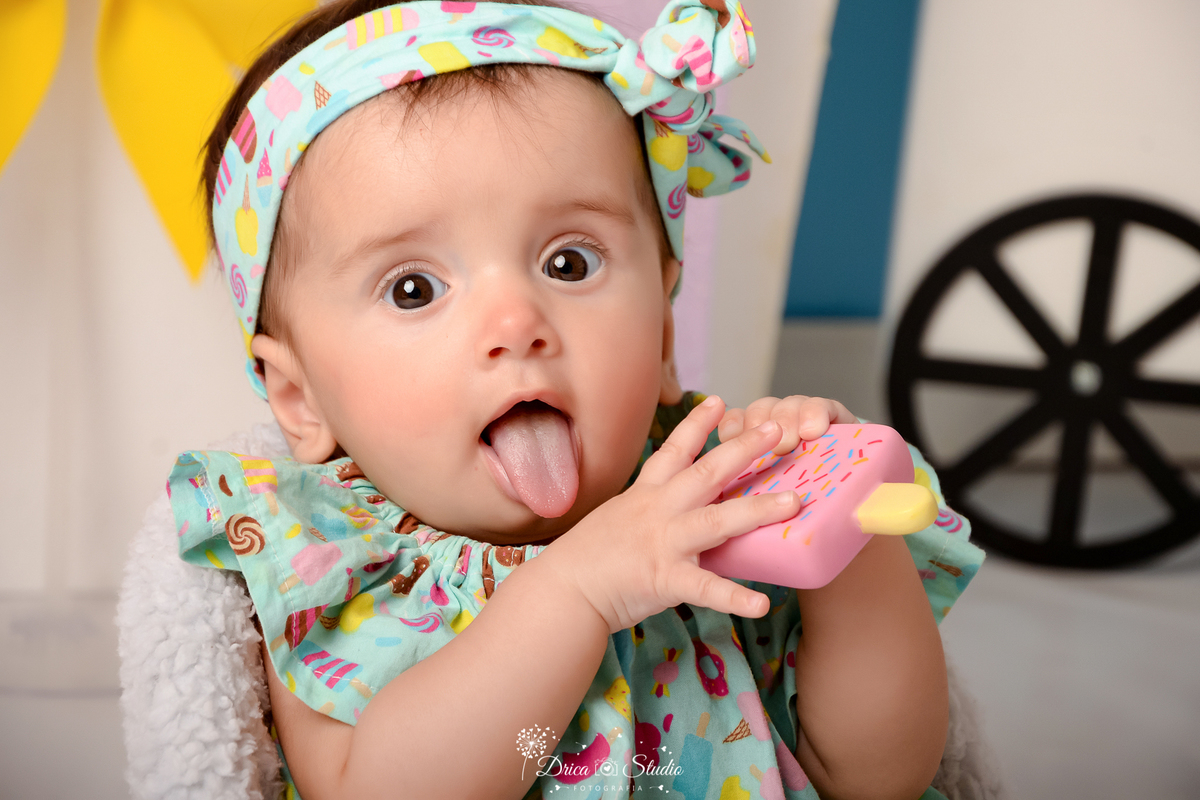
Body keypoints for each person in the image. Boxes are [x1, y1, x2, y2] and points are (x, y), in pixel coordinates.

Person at [166, 1, 985, 798]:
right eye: (415, 288)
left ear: (664, 333)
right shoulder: (329, 556)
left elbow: (878, 777)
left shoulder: (720, 499)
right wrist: (577, 591)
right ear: (299, 397)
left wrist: (843, 535)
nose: (516, 323)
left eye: (569, 263)